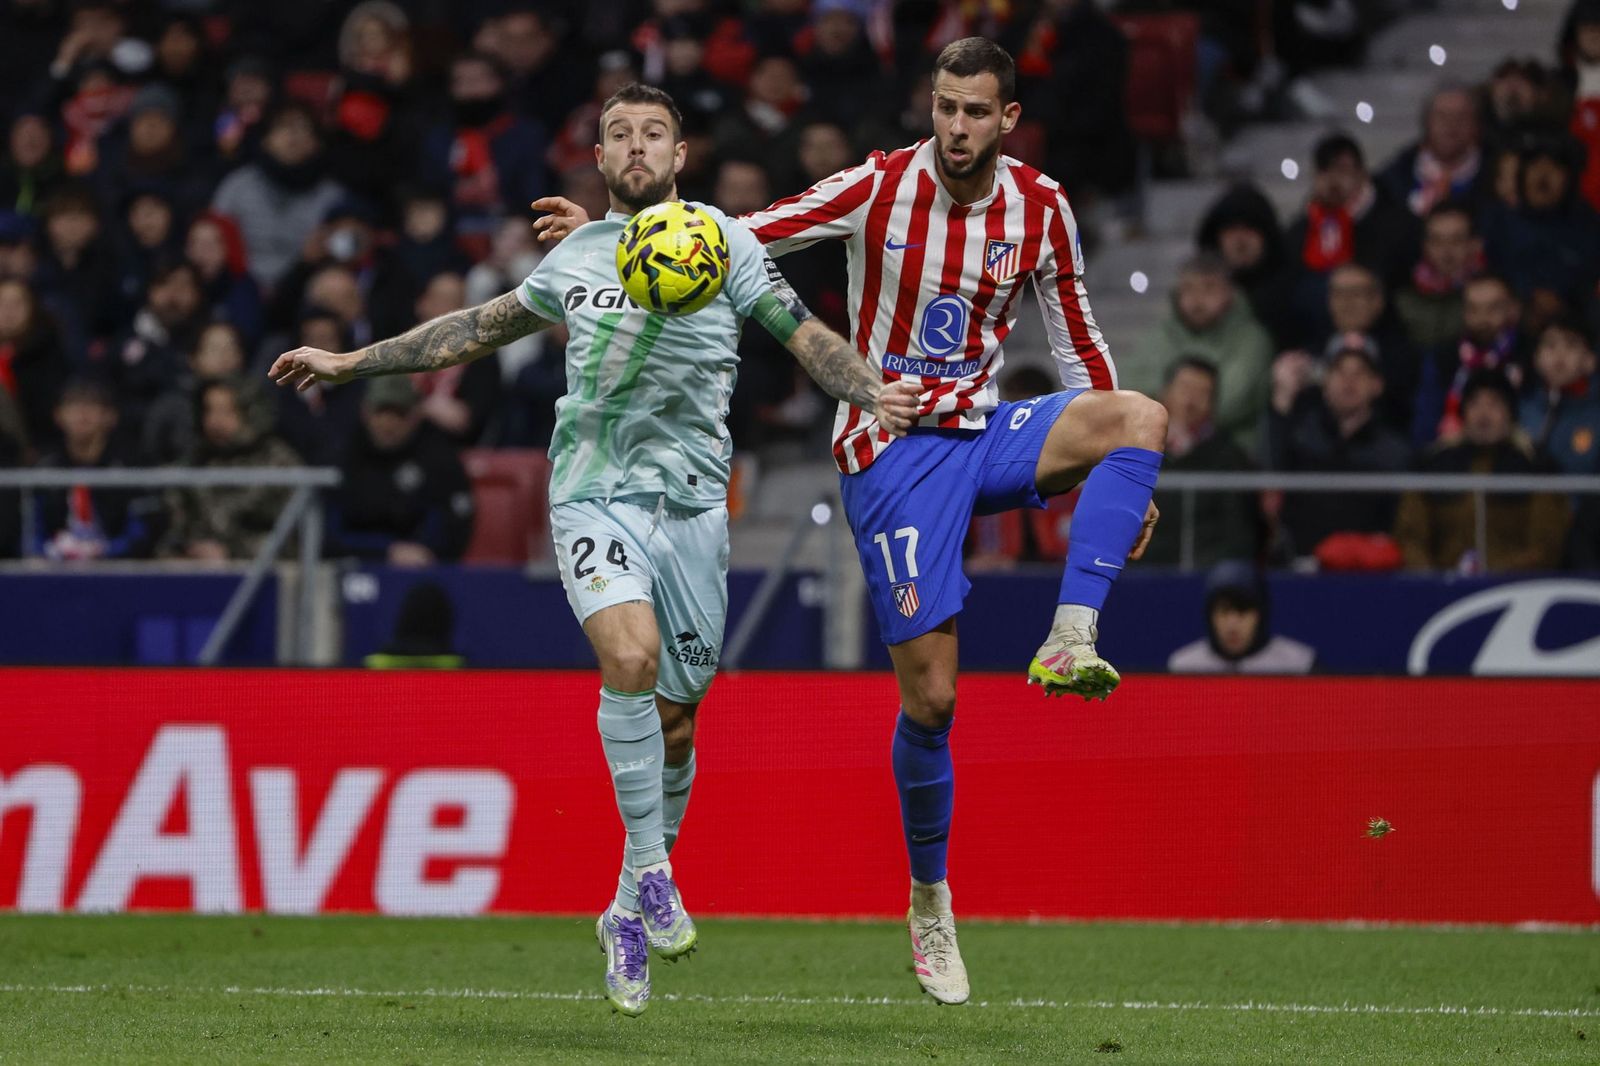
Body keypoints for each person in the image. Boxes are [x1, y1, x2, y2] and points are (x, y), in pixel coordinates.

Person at [534, 39, 1167, 1006]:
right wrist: (615, 231)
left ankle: (1071, 640)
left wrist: (1124, 476)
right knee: (934, 703)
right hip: (891, 449)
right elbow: (743, 234)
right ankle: (928, 897)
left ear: (1008, 119)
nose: (954, 127)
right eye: (943, 107)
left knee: (1140, 417)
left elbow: (1078, 340)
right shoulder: (879, 187)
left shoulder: (1042, 207)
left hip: (983, 430)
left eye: (973, 112)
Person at [271, 82, 919, 1016]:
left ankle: (622, 909)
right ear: (602, 157)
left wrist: (869, 390)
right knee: (630, 656)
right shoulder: (576, 255)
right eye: (620, 134)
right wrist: (352, 359)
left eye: (655, 132)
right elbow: (469, 331)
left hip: (696, 508)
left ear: (680, 154)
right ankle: (654, 872)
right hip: (593, 493)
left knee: (680, 721)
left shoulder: (725, 243)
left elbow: (803, 334)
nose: (638, 146)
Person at [1395, 369, 1569, 571]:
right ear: (1463, 412)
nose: (1483, 413)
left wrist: (1490, 577)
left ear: (1510, 413)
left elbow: (1545, 547)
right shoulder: (1432, 464)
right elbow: (1410, 537)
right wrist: (1434, 580)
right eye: (1474, 403)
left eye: (1494, 403)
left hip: (1516, 590)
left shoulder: (1536, 466)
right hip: (1442, 589)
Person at [1167, 561, 1315, 674]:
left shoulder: (1300, 666)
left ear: (1261, 615)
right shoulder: (1183, 668)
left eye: (1243, 611)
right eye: (1223, 612)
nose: (1232, 625)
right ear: (1210, 615)